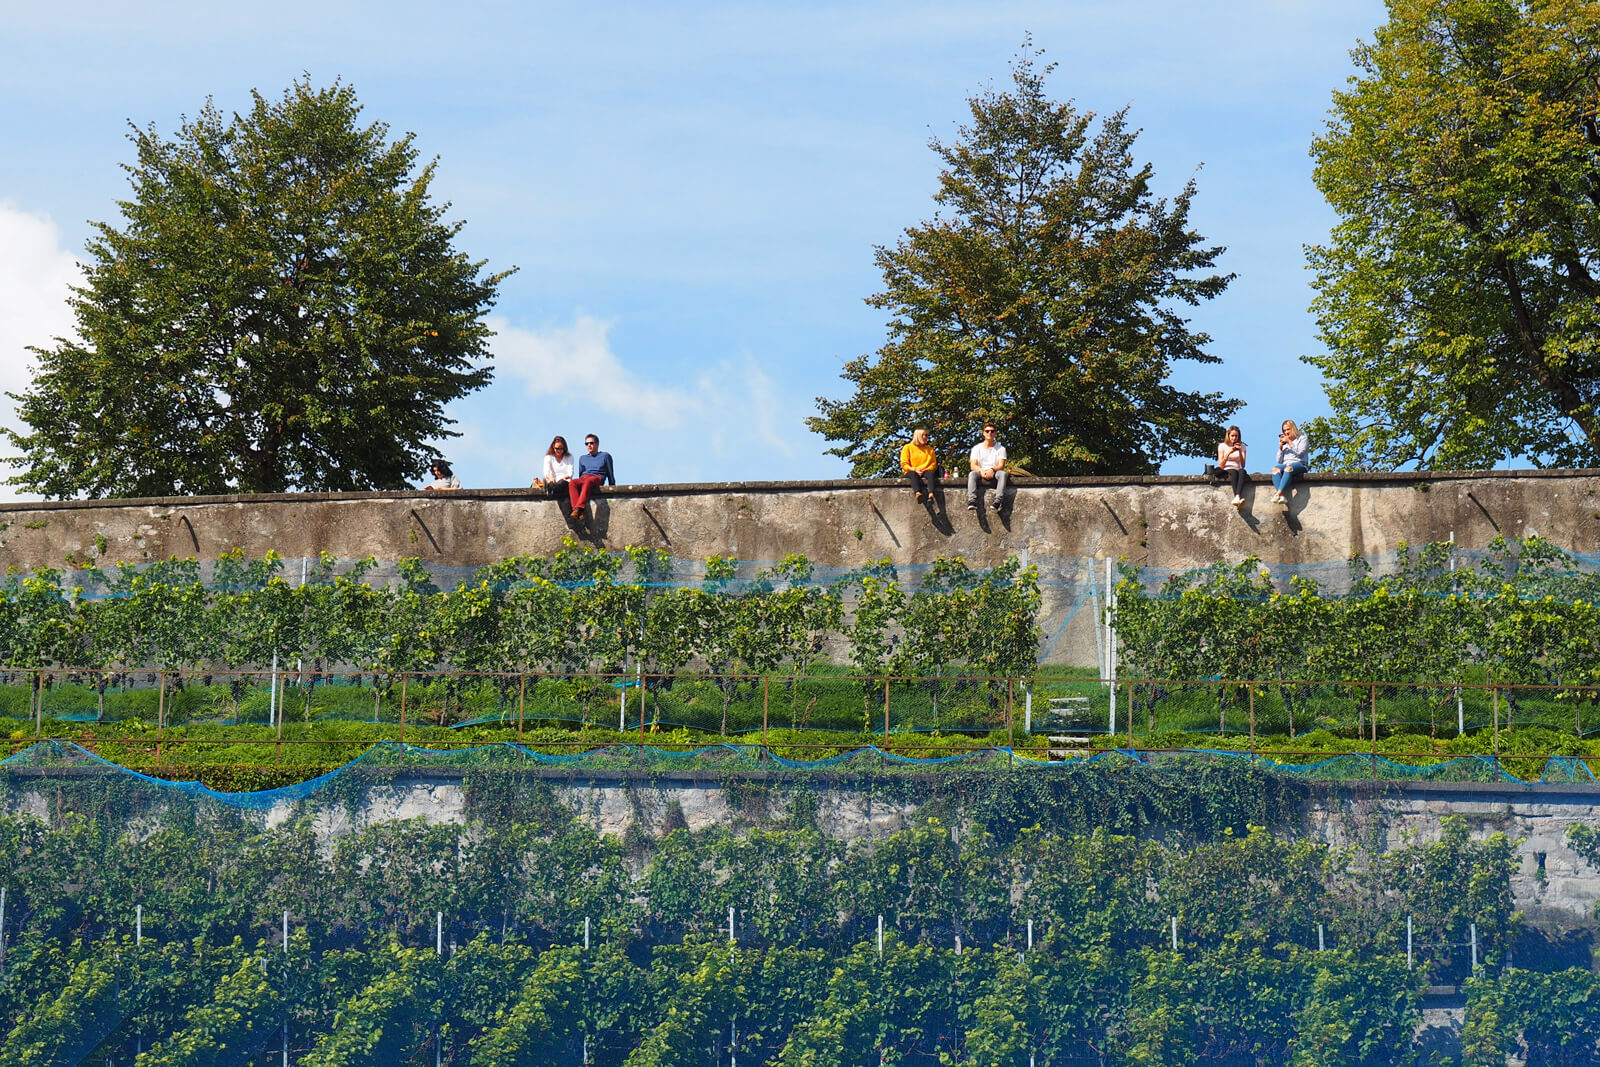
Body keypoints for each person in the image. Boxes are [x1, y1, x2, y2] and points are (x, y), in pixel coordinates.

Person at [569, 433, 615, 518]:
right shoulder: (582, 458)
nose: (589, 445)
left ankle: (580, 508)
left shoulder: (605, 456)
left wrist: (612, 487)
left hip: (597, 477)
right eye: (587, 444)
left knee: (588, 481)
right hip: (584, 477)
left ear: (597, 444)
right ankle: (576, 510)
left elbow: (610, 473)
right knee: (572, 482)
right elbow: (581, 474)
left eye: (591, 443)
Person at [966, 422, 1008, 512]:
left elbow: (1001, 465)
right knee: (972, 474)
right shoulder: (976, 448)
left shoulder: (1001, 449)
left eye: (992, 431)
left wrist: (992, 470)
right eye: (987, 431)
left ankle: (998, 501)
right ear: (983, 433)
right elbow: (973, 465)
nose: (990, 433)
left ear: (995, 434)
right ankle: (972, 500)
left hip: (994, 472)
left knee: (1003, 474)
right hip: (980, 471)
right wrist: (981, 471)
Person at [1271, 419, 1310, 504]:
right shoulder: (1285, 443)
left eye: (1288, 429)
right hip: (1286, 464)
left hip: (1300, 463)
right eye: (1284, 430)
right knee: (1275, 470)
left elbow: (1301, 453)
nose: (1286, 432)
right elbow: (1279, 461)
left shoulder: (1302, 439)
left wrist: (1290, 442)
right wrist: (1280, 448)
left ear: (1293, 429)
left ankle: (1278, 494)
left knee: (1288, 469)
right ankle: (1281, 496)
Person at [900, 428, 938, 502]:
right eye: (926, 435)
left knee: (931, 474)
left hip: (925, 470)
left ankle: (931, 494)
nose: (927, 437)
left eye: (928, 435)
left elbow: (933, 464)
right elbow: (904, 464)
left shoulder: (930, 449)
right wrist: (914, 469)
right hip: (911, 470)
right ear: (919, 436)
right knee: (913, 474)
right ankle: (917, 493)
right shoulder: (907, 447)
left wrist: (924, 469)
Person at [1216, 427, 1247, 509]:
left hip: (1237, 468)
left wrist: (1240, 451)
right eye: (1232, 436)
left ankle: (1237, 496)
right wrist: (1230, 451)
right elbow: (1221, 464)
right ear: (1228, 436)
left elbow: (1243, 464)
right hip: (1226, 469)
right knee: (1233, 472)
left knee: (1242, 471)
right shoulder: (1222, 446)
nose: (1234, 438)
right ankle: (1236, 496)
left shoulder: (1242, 446)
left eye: (1236, 436)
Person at [538, 436, 575, 501]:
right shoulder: (548, 457)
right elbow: (546, 472)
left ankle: (553, 492)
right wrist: (551, 478)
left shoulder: (569, 457)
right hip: (552, 481)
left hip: (564, 481)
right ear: (553, 447)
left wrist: (563, 478)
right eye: (557, 448)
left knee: (561, 484)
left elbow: (570, 472)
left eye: (561, 449)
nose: (559, 451)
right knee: (552, 485)